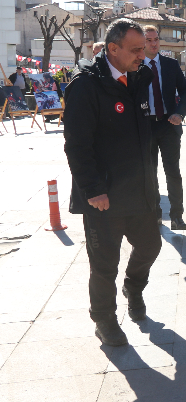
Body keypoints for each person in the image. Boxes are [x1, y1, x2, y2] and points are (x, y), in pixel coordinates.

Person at [63, 18, 161, 346]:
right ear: (112, 49)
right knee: (104, 263)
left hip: (140, 188)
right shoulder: (85, 86)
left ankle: (133, 287)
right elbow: (77, 144)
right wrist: (93, 189)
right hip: (103, 195)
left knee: (151, 245)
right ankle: (104, 319)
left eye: (144, 49)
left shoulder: (140, 77)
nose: (143, 56)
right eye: (135, 50)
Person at [142, 25, 186, 230]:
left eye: (156, 39)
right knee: (149, 174)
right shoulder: (135, 66)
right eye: (149, 40)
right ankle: (155, 215)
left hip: (169, 125)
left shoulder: (170, 64)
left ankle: (177, 216)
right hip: (145, 127)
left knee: (173, 171)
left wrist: (179, 113)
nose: (154, 43)